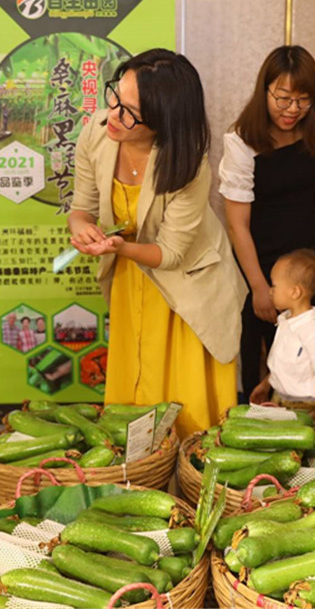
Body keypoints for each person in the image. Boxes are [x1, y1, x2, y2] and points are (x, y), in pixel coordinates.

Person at [68, 48, 247, 437]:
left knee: (190, 414)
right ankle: (139, 483)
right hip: (131, 282)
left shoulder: (187, 161)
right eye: (115, 96)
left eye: (130, 112)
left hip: (189, 285)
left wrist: (120, 247)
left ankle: (192, 486)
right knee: (133, 396)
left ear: (165, 122)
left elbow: (171, 252)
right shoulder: (97, 133)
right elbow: (80, 208)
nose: (114, 114)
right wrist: (80, 226)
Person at [219, 45, 315, 406]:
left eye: (303, 100)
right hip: (262, 258)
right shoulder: (242, 140)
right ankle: (258, 422)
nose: (292, 110)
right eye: (283, 98)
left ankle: (312, 417)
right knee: (265, 345)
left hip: (307, 252)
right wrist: (259, 286)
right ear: (265, 90)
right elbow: (237, 224)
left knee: (308, 343)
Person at [250, 249, 315, 430]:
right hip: (279, 398)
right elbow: (283, 363)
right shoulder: (285, 321)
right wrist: (266, 384)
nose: (270, 291)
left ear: (295, 292)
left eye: (274, 286)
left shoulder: (313, 332)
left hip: (304, 406)